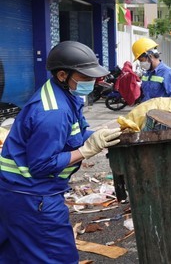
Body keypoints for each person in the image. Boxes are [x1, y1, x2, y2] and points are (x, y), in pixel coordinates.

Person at [0, 41, 122, 262]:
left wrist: (97, 136)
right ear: (63, 75)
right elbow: (40, 166)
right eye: (85, 78)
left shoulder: (64, 95)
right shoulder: (53, 112)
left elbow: (76, 133)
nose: (92, 83)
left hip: (17, 194)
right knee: (57, 258)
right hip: (33, 197)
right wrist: (86, 151)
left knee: (14, 256)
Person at [132, 37, 171, 101]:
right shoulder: (146, 74)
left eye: (141, 60)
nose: (141, 63)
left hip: (161, 110)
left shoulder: (167, 73)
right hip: (147, 109)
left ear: (150, 56)